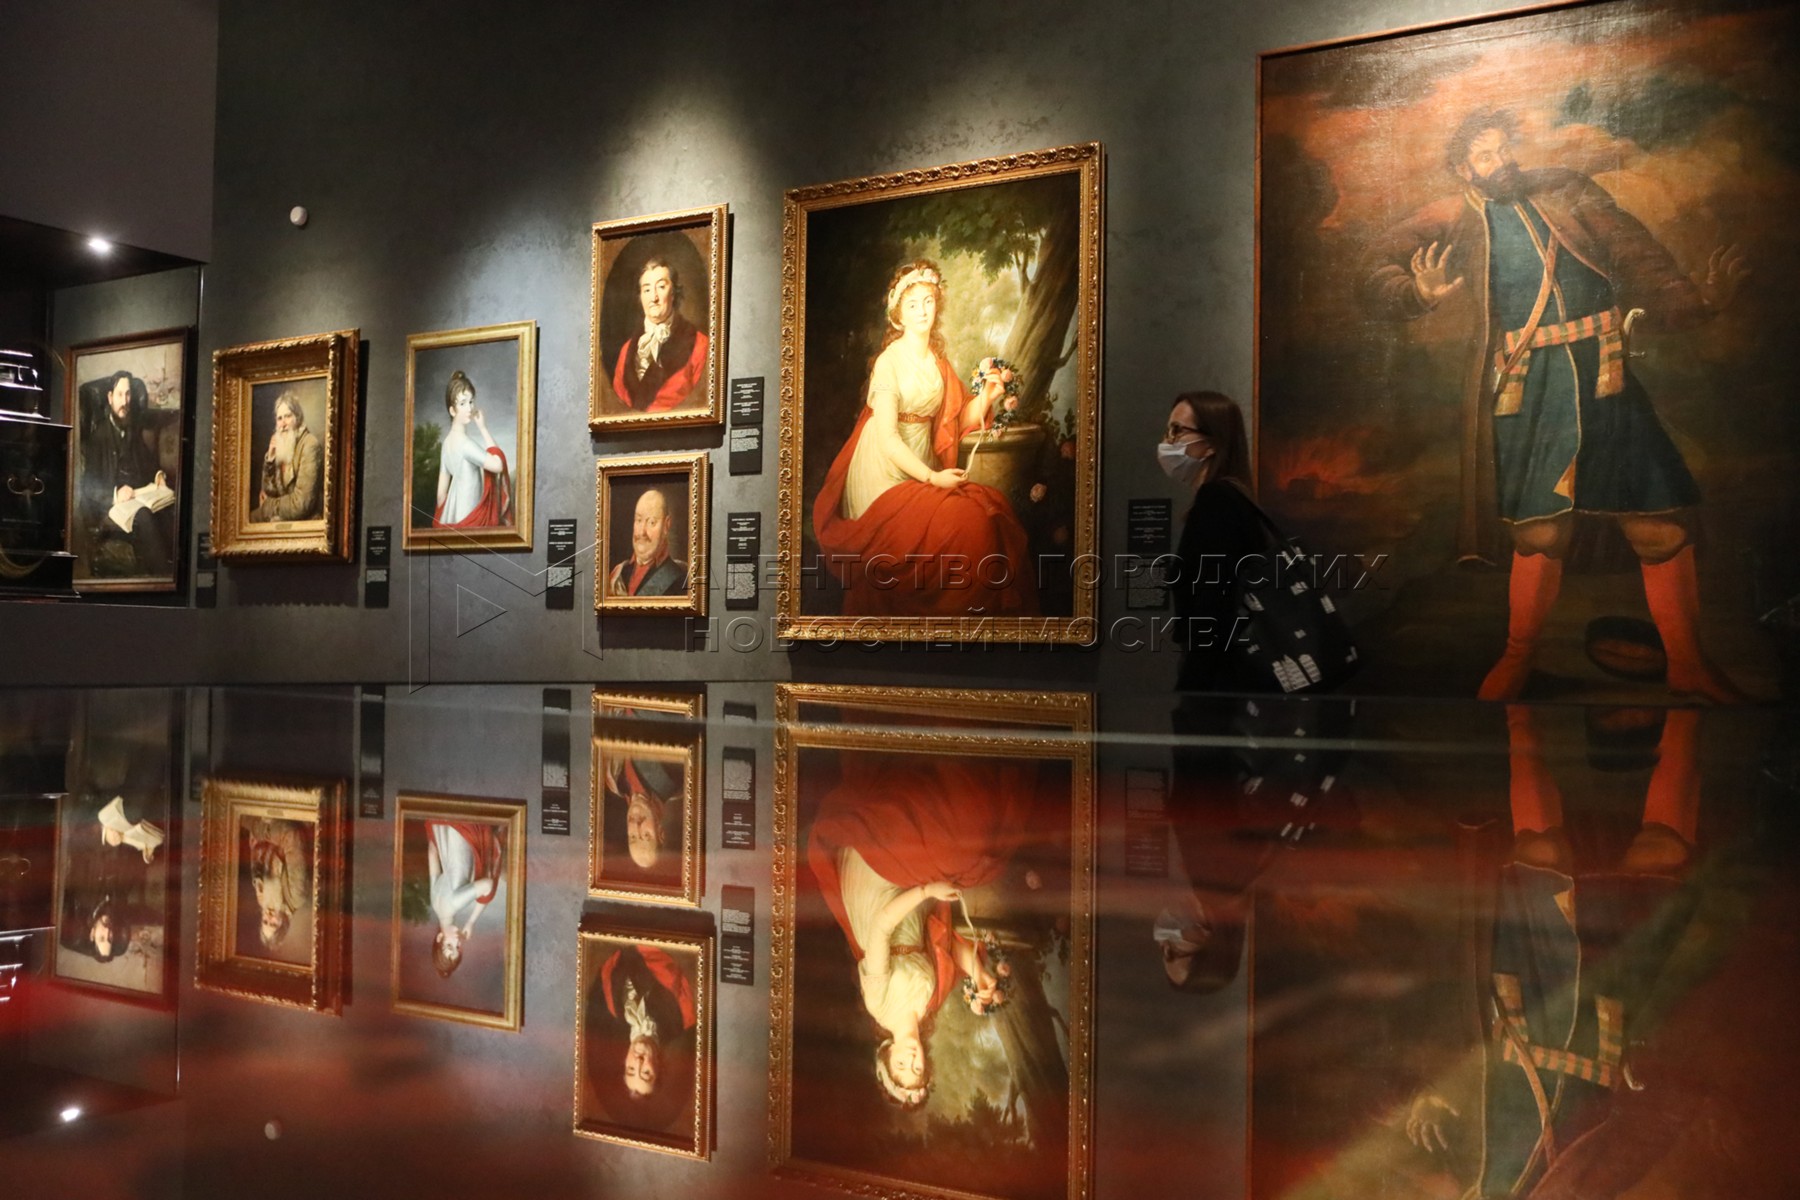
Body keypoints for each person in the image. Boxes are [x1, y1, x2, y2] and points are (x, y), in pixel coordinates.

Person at [1365, 108, 1750, 702]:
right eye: (1486, 155)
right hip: (1530, 385)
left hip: (1605, 375)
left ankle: (1688, 665)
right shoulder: (1450, 216)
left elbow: (1636, 254)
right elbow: (1372, 269)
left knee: (1658, 526)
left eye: (1504, 149)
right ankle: (1517, 660)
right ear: (1465, 168)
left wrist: (1694, 301)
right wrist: (1415, 290)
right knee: (1540, 534)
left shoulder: (1565, 188)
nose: (1501, 163)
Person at [811, 259, 1037, 618]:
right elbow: (888, 439)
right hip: (883, 473)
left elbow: (955, 420)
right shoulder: (889, 362)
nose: (922, 311)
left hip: (922, 463)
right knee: (965, 522)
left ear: (937, 305)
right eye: (913, 304)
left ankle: (963, 623)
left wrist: (987, 397)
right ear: (898, 316)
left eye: (929, 301)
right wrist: (933, 478)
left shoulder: (937, 362)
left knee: (987, 511)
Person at [805, 751, 1029, 1108]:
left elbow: (881, 926)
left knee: (959, 849)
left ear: (886, 1053)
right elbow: (945, 943)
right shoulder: (928, 1006)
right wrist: (980, 974)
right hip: (909, 891)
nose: (911, 1059)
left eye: (900, 1065)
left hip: (876, 885)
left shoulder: (879, 1003)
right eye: (917, 1068)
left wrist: (926, 891)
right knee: (981, 864)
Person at [1159, 391, 1266, 693]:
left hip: (1220, 683)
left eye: (1178, 430)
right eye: (1168, 430)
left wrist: (1194, 689)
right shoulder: (1232, 498)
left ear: (1212, 444)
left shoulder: (1216, 500)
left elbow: (1212, 608)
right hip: (1230, 677)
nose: (1168, 441)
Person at [585, 942, 697, 1131]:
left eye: (630, 1069)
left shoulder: (613, 1009)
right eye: (645, 1073)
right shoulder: (684, 1016)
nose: (638, 1061)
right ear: (660, 1067)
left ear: (624, 1061)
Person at [77, 369, 173, 578]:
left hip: (137, 496)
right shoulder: (98, 437)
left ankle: (174, 572)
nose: (125, 401)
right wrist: (115, 495)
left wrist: (157, 475)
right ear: (110, 398)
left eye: (128, 394)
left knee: (167, 509)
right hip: (110, 508)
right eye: (120, 395)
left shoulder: (131, 429)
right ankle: (163, 577)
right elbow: (88, 487)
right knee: (145, 516)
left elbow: (146, 463)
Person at [57, 792, 163, 965]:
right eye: (111, 937)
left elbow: (75, 845)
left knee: (137, 806)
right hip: (126, 825)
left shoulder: (81, 897)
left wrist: (103, 835)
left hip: (97, 817)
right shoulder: (118, 902)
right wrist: (146, 855)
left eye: (101, 937)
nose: (107, 932)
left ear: (92, 934)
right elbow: (133, 870)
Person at [611, 256, 708, 413]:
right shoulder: (626, 350)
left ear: (673, 293)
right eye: (647, 290)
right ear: (640, 297)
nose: (654, 298)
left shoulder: (700, 344)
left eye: (661, 287)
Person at [425, 818, 504, 978]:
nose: (457, 942)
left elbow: (487, 885)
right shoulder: (435, 903)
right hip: (444, 825)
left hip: (465, 826)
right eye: (457, 948)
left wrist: (471, 921)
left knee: (486, 895)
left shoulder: (454, 904)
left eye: (449, 945)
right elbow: (432, 852)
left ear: (439, 937)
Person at [432, 370, 512, 528]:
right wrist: (483, 428)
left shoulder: (446, 444)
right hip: (471, 520)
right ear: (452, 410)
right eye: (462, 403)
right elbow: (498, 465)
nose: (469, 408)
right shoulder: (466, 445)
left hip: (452, 521)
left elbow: (441, 497)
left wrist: (452, 513)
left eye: (471, 401)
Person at [602, 752, 682, 880]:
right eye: (646, 835)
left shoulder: (613, 784)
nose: (636, 825)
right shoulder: (672, 775)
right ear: (660, 833)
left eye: (633, 836)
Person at [253, 390, 323, 522]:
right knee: (250, 519)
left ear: (297, 418)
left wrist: (268, 505)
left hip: (306, 521)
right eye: (279, 418)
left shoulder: (310, 445)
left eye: (288, 416)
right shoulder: (282, 445)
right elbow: (268, 493)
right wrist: (270, 461)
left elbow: (301, 504)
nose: (283, 424)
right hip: (283, 518)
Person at [606, 487, 687, 597]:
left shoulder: (681, 580)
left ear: (666, 526)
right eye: (639, 520)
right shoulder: (618, 574)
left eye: (652, 522)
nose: (642, 532)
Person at [245, 816, 309, 952]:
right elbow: (291, 836)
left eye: (265, 921)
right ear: (284, 923)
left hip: (267, 822)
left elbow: (254, 847)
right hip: (291, 817)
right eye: (273, 924)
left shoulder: (262, 898)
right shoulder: (296, 896)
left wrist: (257, 830)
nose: (268, 916)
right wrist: (258, 829)